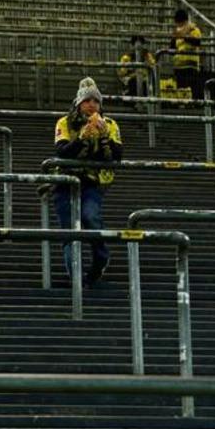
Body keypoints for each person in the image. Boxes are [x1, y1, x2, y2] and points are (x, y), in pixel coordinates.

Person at [53, 77, 123, 287]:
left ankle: (100, 259)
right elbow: (62, 152)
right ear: (78, 103)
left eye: (95, 101)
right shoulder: (64, 122)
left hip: (92, 181)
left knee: (90, 217)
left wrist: (104, 139)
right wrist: (82, 138)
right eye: (87, 101)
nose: (91, 105)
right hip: (65, 181)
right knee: (70, 230)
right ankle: (76, 279)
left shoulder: (109, 124)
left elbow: (117, 156)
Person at [169, 9, 203, 99]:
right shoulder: (177, 32)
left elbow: (197, 42)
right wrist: (174, 38)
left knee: (192, 87)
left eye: (179, 23)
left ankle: (194, 105)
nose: (178, 25)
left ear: (184, 21)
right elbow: (172, 47)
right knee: (181, 89)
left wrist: (184, 35)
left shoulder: (193, 29)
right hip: (179, 66)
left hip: (191, 66)